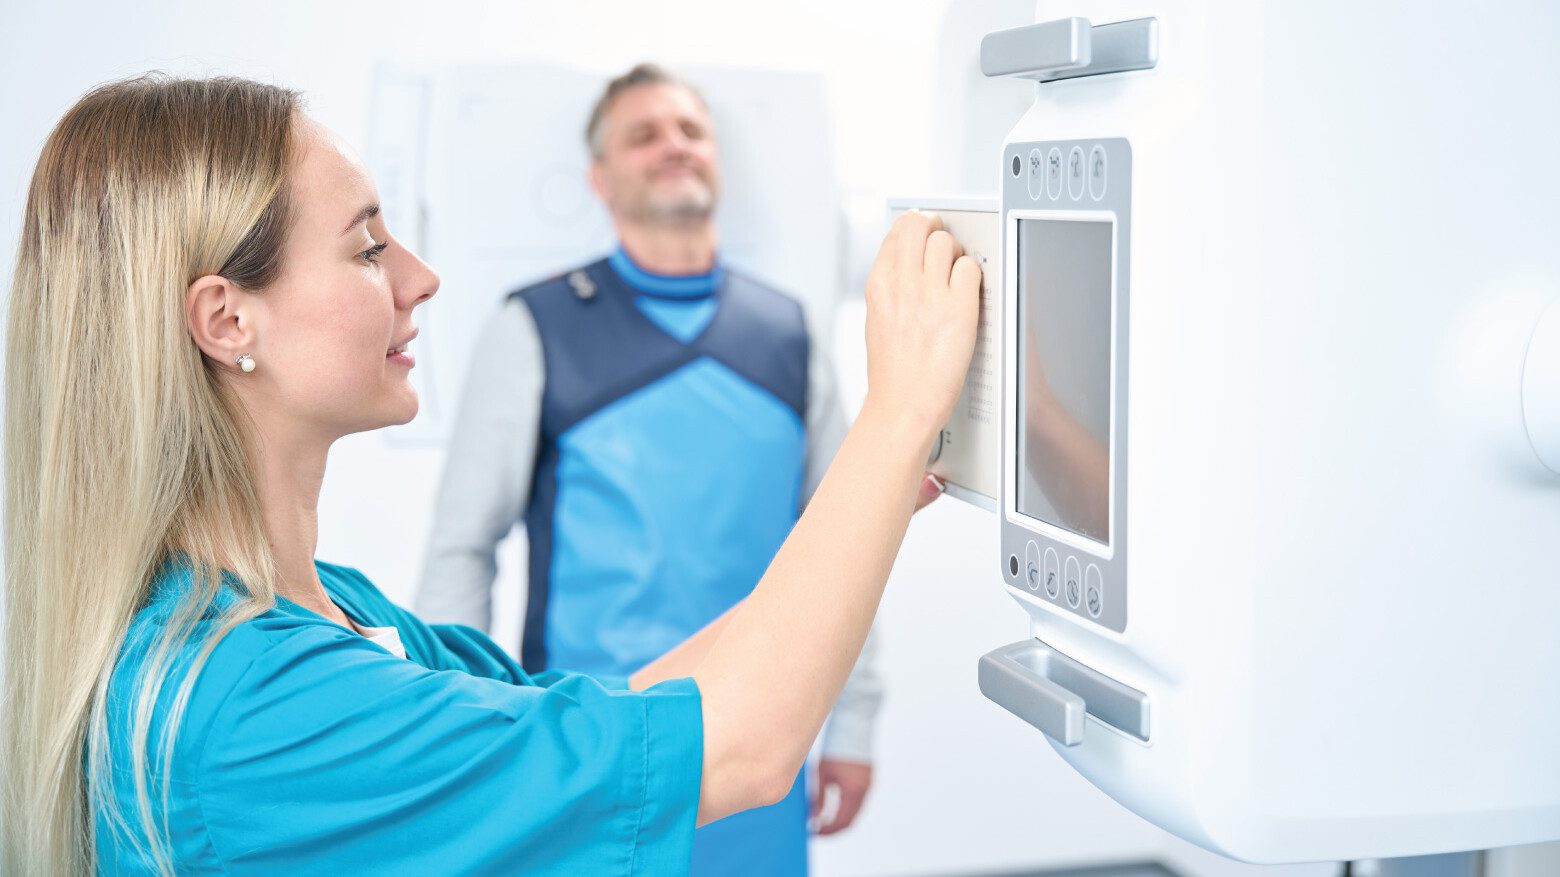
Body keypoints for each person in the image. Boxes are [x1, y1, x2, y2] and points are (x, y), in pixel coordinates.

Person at [0, 75, 979, 876]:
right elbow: (739, 746)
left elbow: (632, 709)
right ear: (227, 321)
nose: (421, 278)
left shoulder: (331, 611)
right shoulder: (257, 702)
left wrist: (879, 485)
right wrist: (896, 419)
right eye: (368, 247)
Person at [415, 63, 916, 872]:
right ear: (601, 177)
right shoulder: (533, 328)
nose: (672, 146)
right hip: (590, 750)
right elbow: (461, 546)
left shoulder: (787, 334)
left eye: (690, 130)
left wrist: (853, 723)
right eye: (642, 134)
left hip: (761, 743)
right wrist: (455, 737)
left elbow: (849, 537)